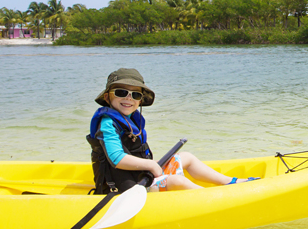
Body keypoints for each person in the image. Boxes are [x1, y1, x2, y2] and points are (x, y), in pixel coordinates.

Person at [87, 68, 257, 194]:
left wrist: (150, 167)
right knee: (176, 180)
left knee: (187, 158)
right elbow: (117, 159)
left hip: (141, 176)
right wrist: (151, 165)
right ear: (108, 97)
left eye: (135, 95)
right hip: (126, 188)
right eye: (121, 92)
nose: (128, 98)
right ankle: (215, 197)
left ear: (140, 101)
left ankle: (230, 183)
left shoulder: (130, 120)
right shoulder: (107, 124)